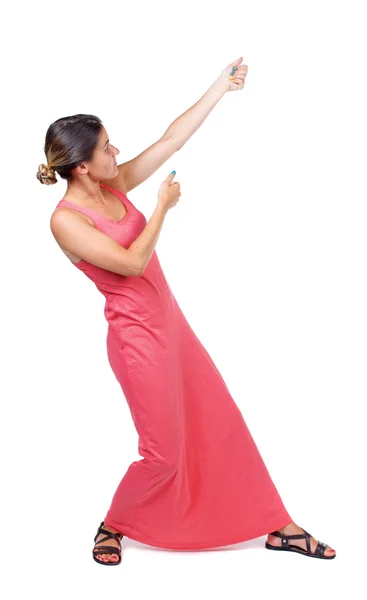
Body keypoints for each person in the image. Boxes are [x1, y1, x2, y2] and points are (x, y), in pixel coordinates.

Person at [37, 58, 336, 565]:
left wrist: (220, 87)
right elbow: (132, 263)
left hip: (173, 329)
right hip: (136, 341)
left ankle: (277, 525)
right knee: (164, 452)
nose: (117, 151)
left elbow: (170, 141)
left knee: (222, 422)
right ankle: (114, 524)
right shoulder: (66, 221)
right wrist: (162, 209)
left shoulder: (112, 186)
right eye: (108, 147)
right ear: (82, 166)